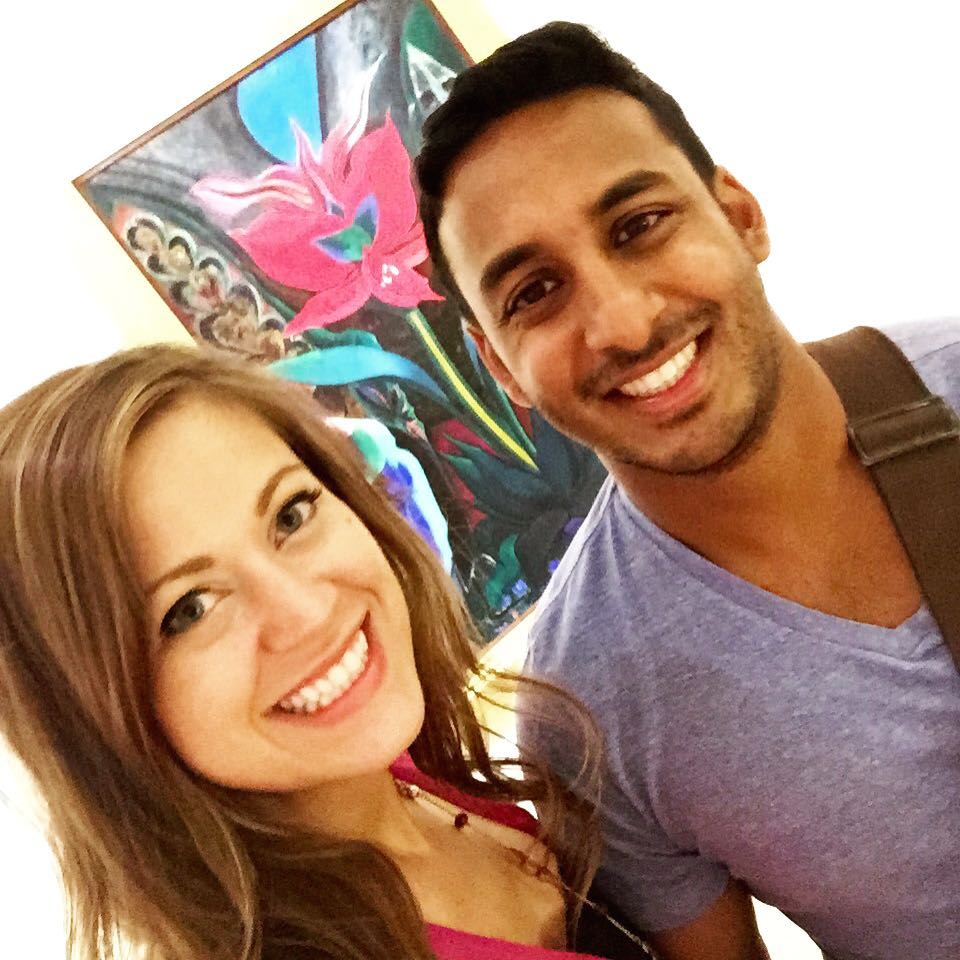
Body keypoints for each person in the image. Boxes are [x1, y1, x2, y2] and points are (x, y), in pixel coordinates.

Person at [414, 21, 960, 960]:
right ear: (500, 367)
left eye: (639, 226)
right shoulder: (588, 707)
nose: (624, 324)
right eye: (535, 292)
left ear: (739, 214)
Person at [0, 344, 651, 960]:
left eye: (290, 515)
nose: (307, 612)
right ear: (88, 716)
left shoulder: (391, 777)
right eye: (189, 608)